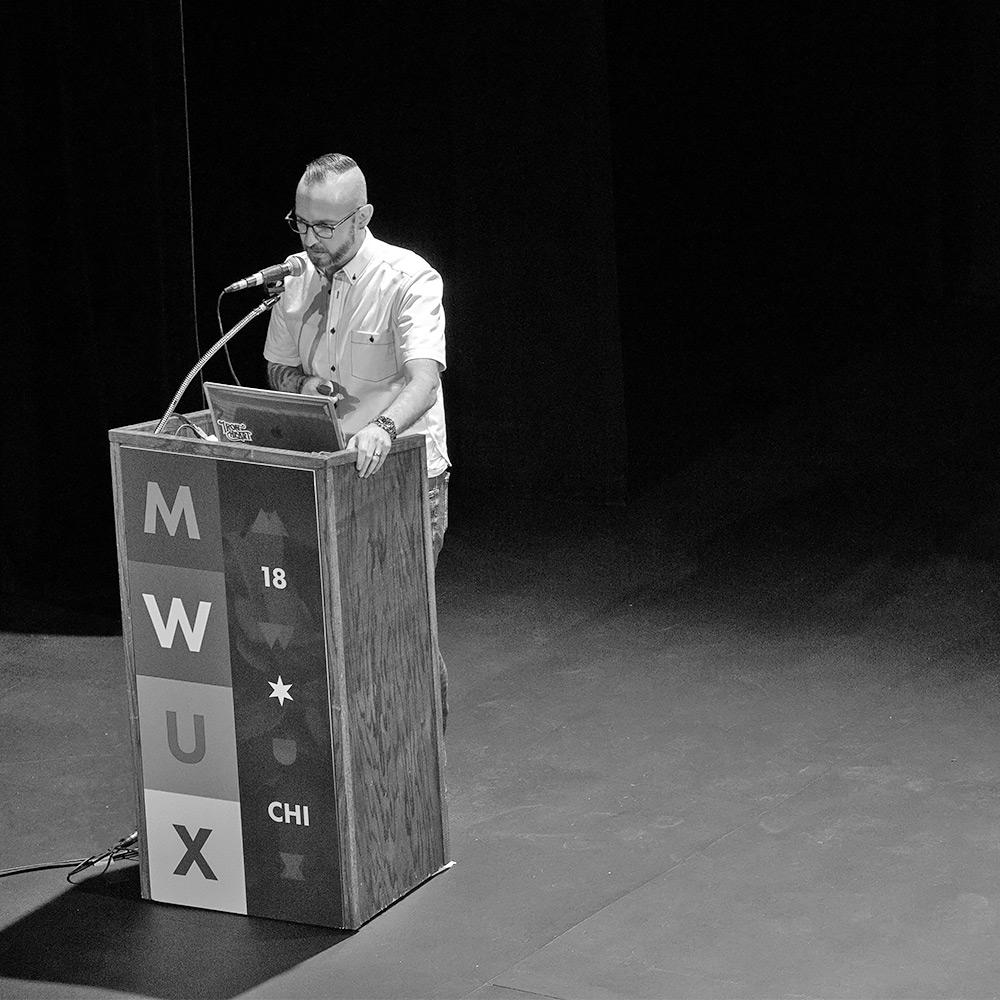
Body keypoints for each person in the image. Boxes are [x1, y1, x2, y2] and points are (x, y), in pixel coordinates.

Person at [263, 152, 451, 724]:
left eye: (325, 226)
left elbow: (424, 380)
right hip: (323, 477)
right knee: (331, 633)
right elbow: (276, 370)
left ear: (363, 216)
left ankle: (418, 767)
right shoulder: (296, 279)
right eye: (301, 223)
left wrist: (382, 428)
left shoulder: (407, 278)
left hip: (401, 479)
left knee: (398, 633)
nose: (310, 238)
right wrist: (305, 382)